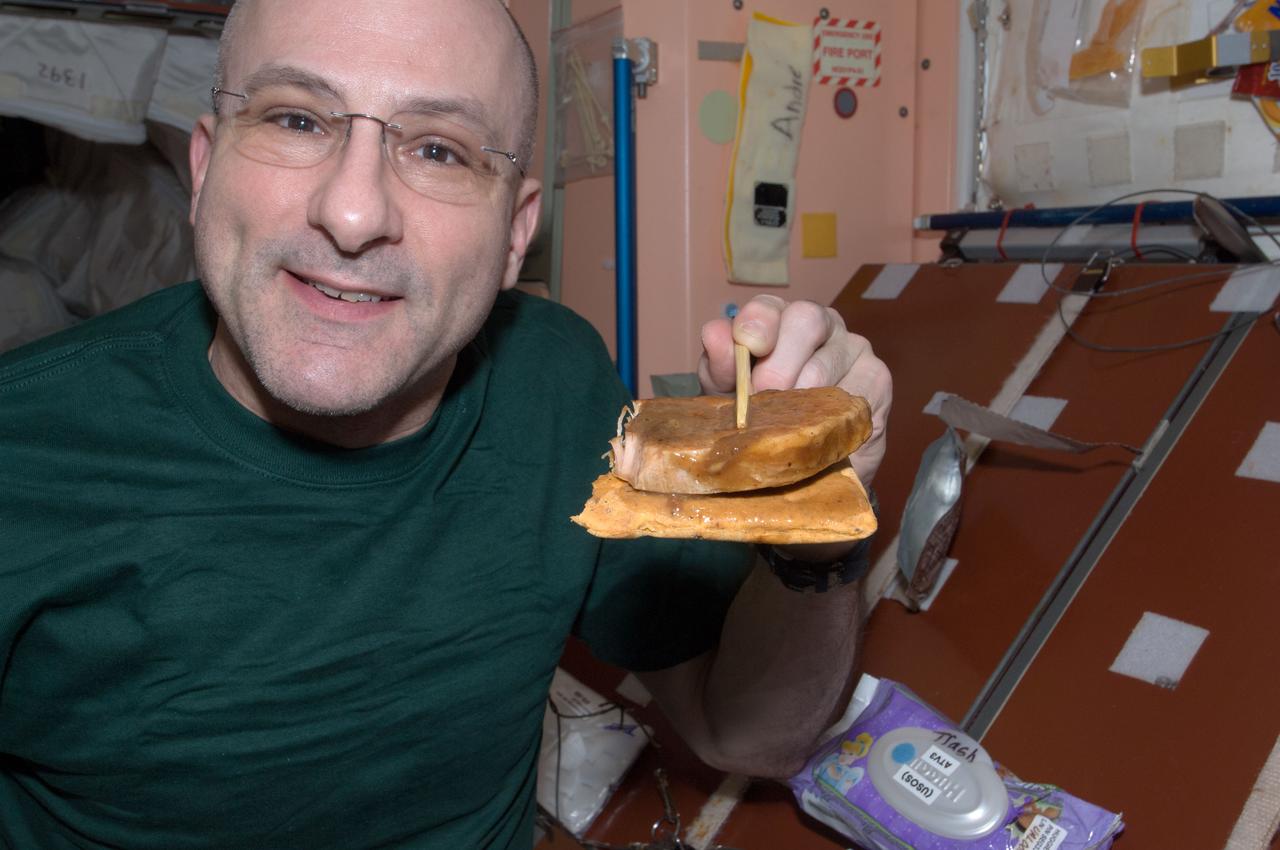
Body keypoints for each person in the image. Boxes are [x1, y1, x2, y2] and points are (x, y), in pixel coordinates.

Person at [0, 0, 892, 847]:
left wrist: (814, 538)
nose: (352, 214)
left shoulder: (556, 384)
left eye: (438, 149)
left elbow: (751, 737)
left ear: (515, 237)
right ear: (203, 170)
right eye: (295, 120)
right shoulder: (24, 455)